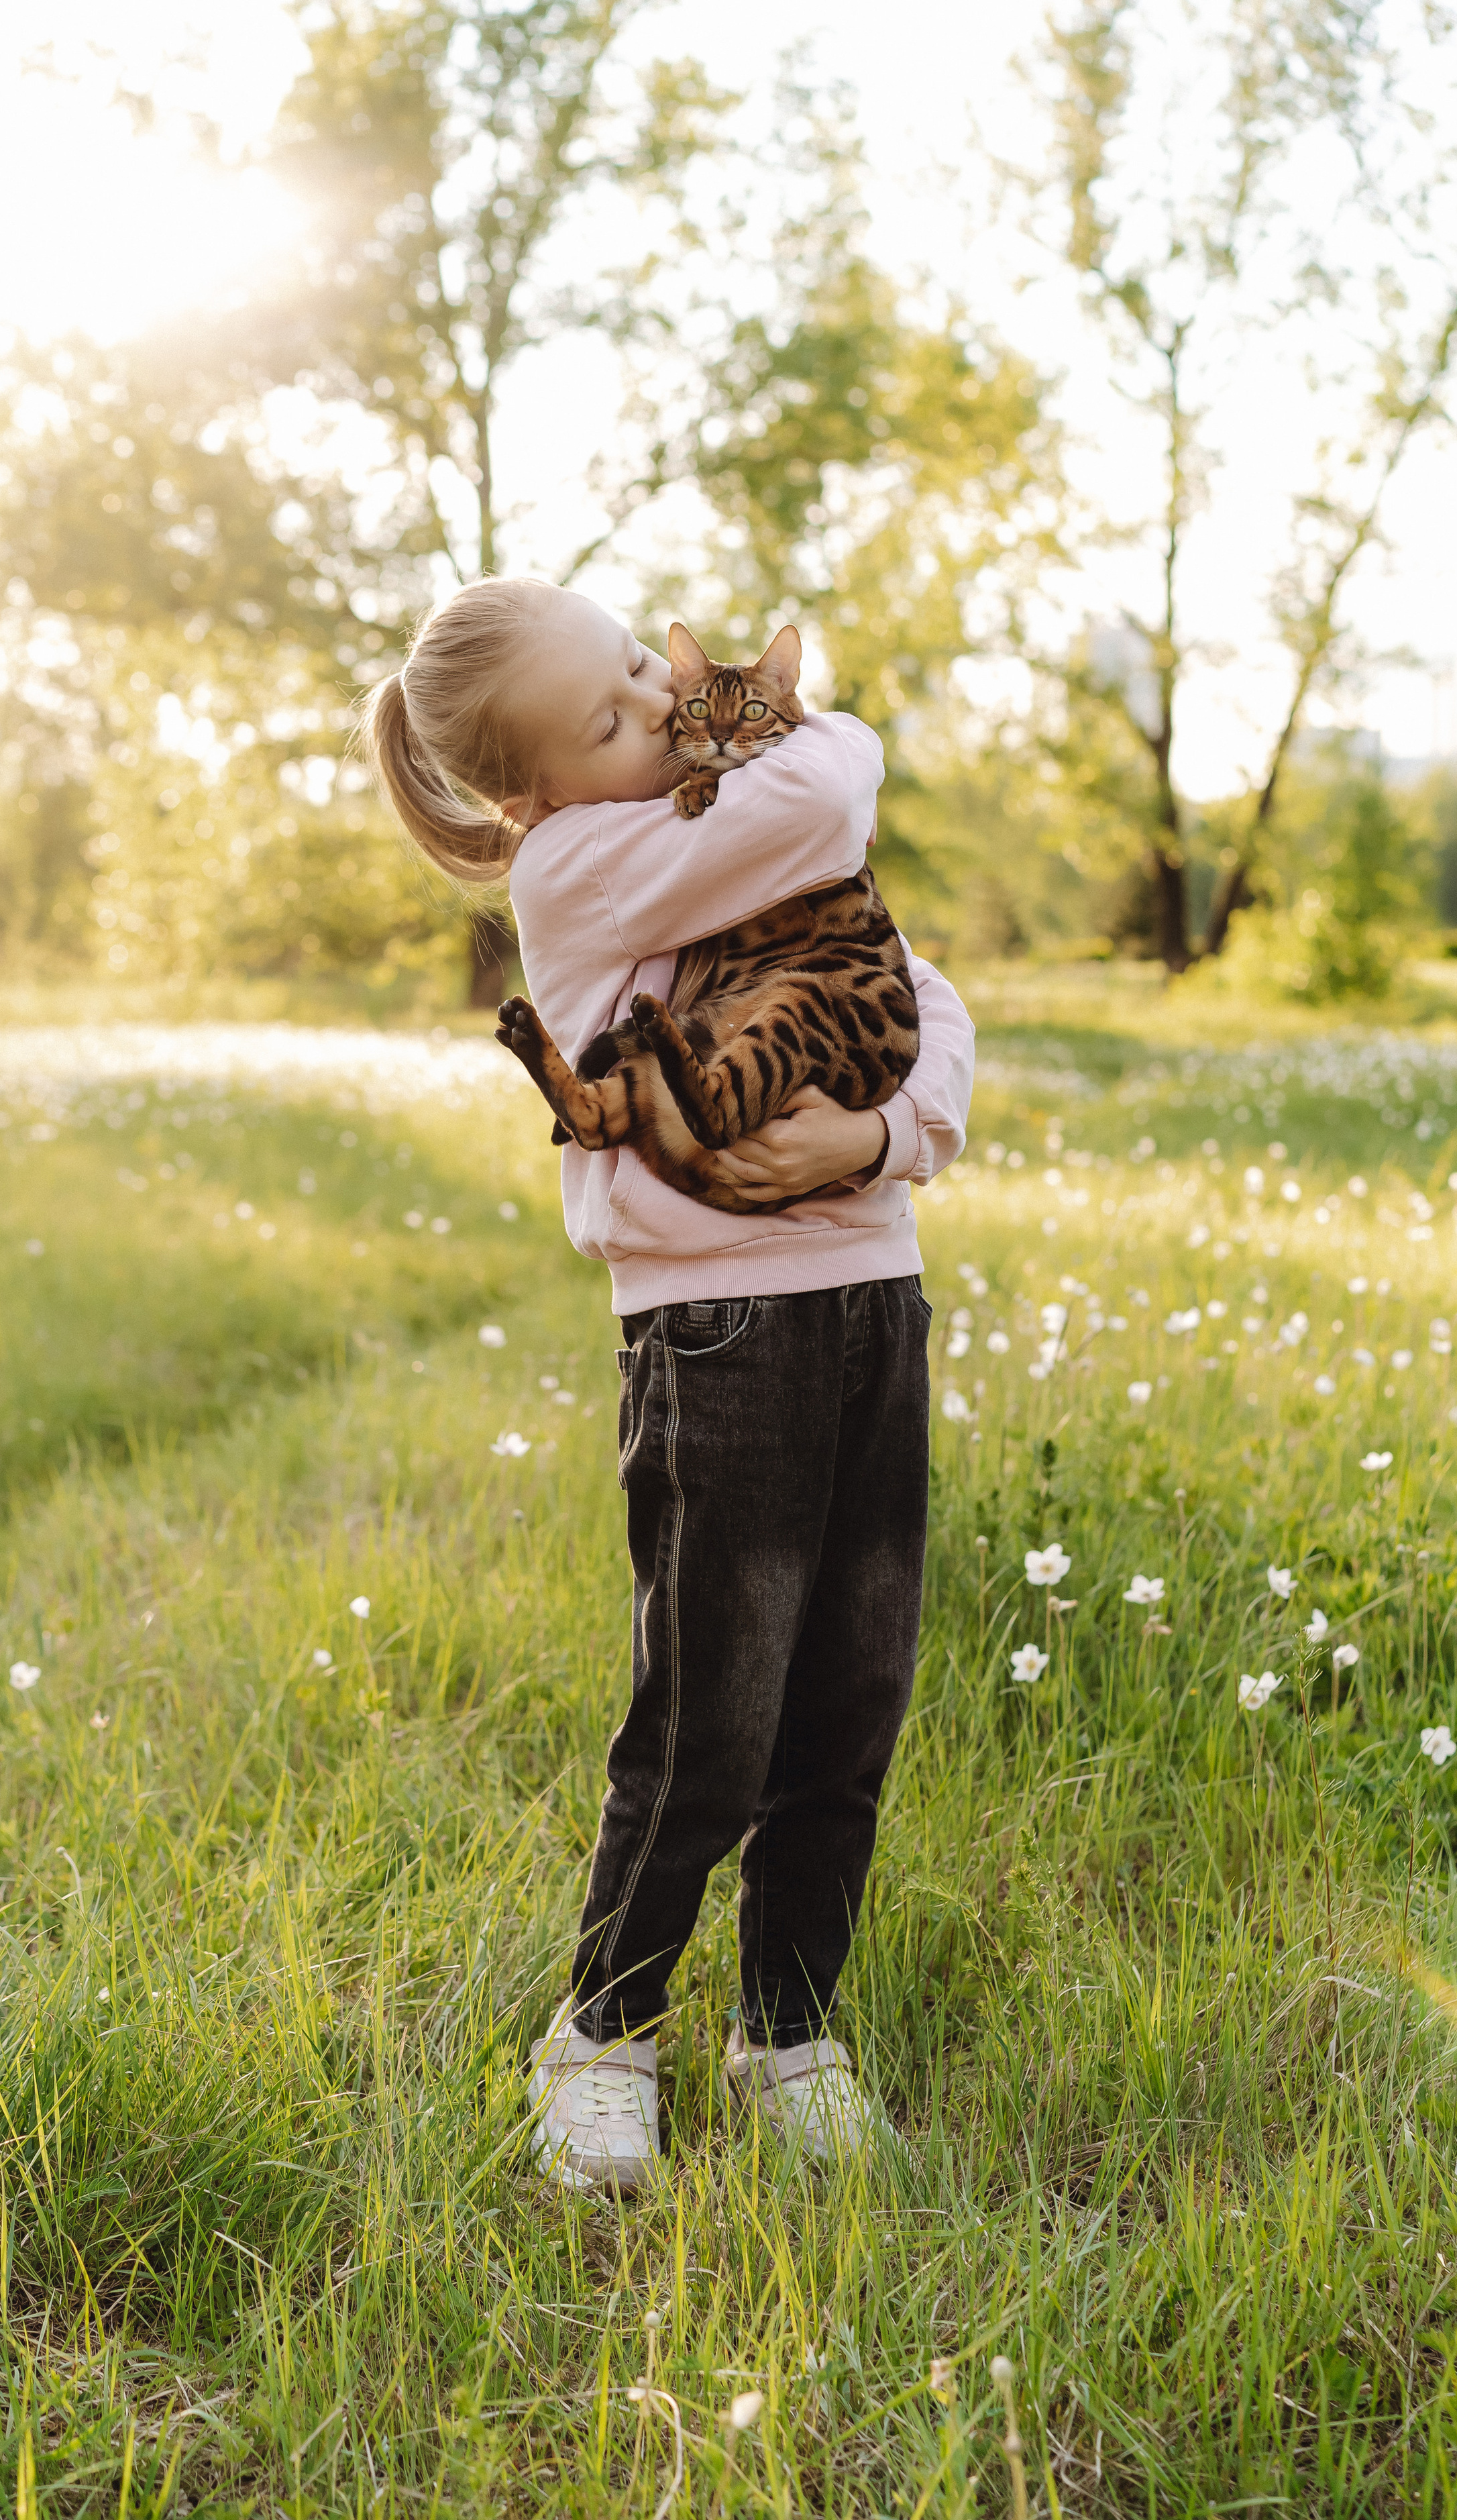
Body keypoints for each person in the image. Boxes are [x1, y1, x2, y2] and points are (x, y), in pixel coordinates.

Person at [362, 577, 975, 2193]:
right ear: (533, 794)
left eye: (645, 665)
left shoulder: (717, 817)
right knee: (712, 1709)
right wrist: (808, 717)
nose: (656, 709)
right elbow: (837, 780)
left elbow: (932, 1001)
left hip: (871, 1294)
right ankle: (602, 2031)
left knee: (850, 1700)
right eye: (614, 714)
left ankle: (787, 2032)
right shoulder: (583, 865)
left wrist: (881, 1135)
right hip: (718, 1333)